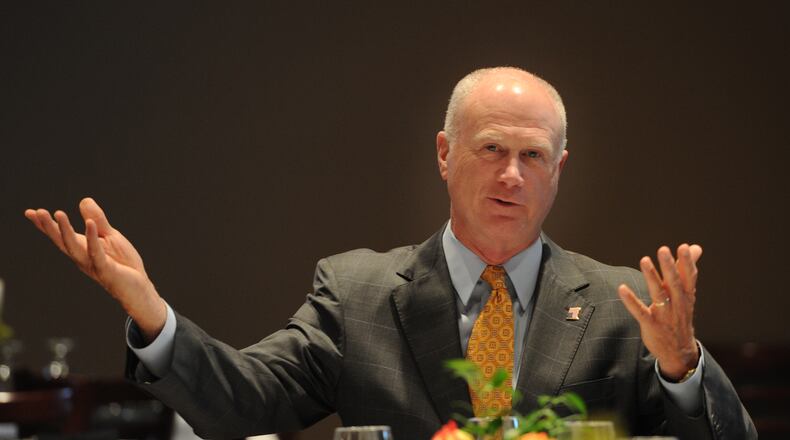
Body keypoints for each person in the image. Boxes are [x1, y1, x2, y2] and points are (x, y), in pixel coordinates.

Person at [25, 67, 755, 439]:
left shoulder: (624, 304)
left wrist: (682, 368)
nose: (511, 175)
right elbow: (240, 401)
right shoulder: (358, 293)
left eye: (533, 156)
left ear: (560, 169)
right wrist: (151, 313)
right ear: (444, 155)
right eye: (491, 149)